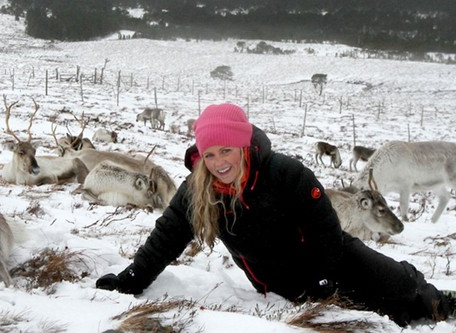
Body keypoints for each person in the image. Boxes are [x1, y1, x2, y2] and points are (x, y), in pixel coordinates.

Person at [96, 103, 455, 326]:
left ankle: (439, 299)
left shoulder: (285, 172)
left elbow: (325, 231)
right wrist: (131, 279)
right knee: (366, 315)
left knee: (399, 289)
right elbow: (167, 237)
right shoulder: (199, 189)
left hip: (331, 259)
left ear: (243, 146)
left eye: (227, 151)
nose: (219, 163)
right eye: (210, 155)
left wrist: (325, 279)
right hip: (277, 282)